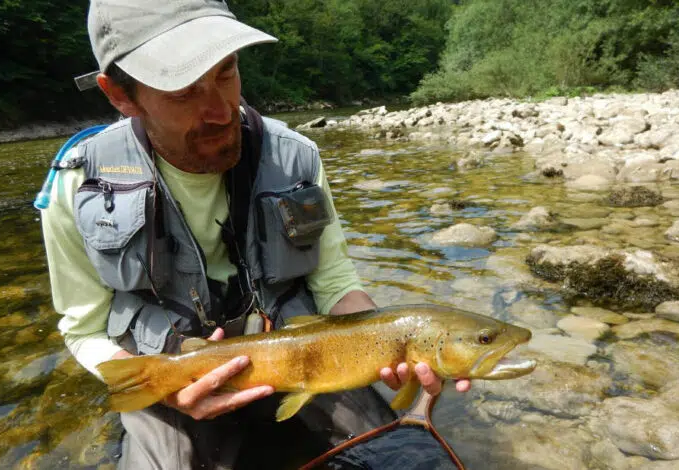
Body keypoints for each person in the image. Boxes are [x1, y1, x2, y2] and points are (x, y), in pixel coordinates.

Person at [39, 0, 471, 468]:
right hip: (174, 367)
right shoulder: (77, 184)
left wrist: (392, 344)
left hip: (301, 354)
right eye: (182, 91)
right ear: (120, 96)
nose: (221, 111)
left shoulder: (296, 157)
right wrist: (164, 392)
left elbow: (336, 284)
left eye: (226, 71)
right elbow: (84, 330)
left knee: (394, 457)